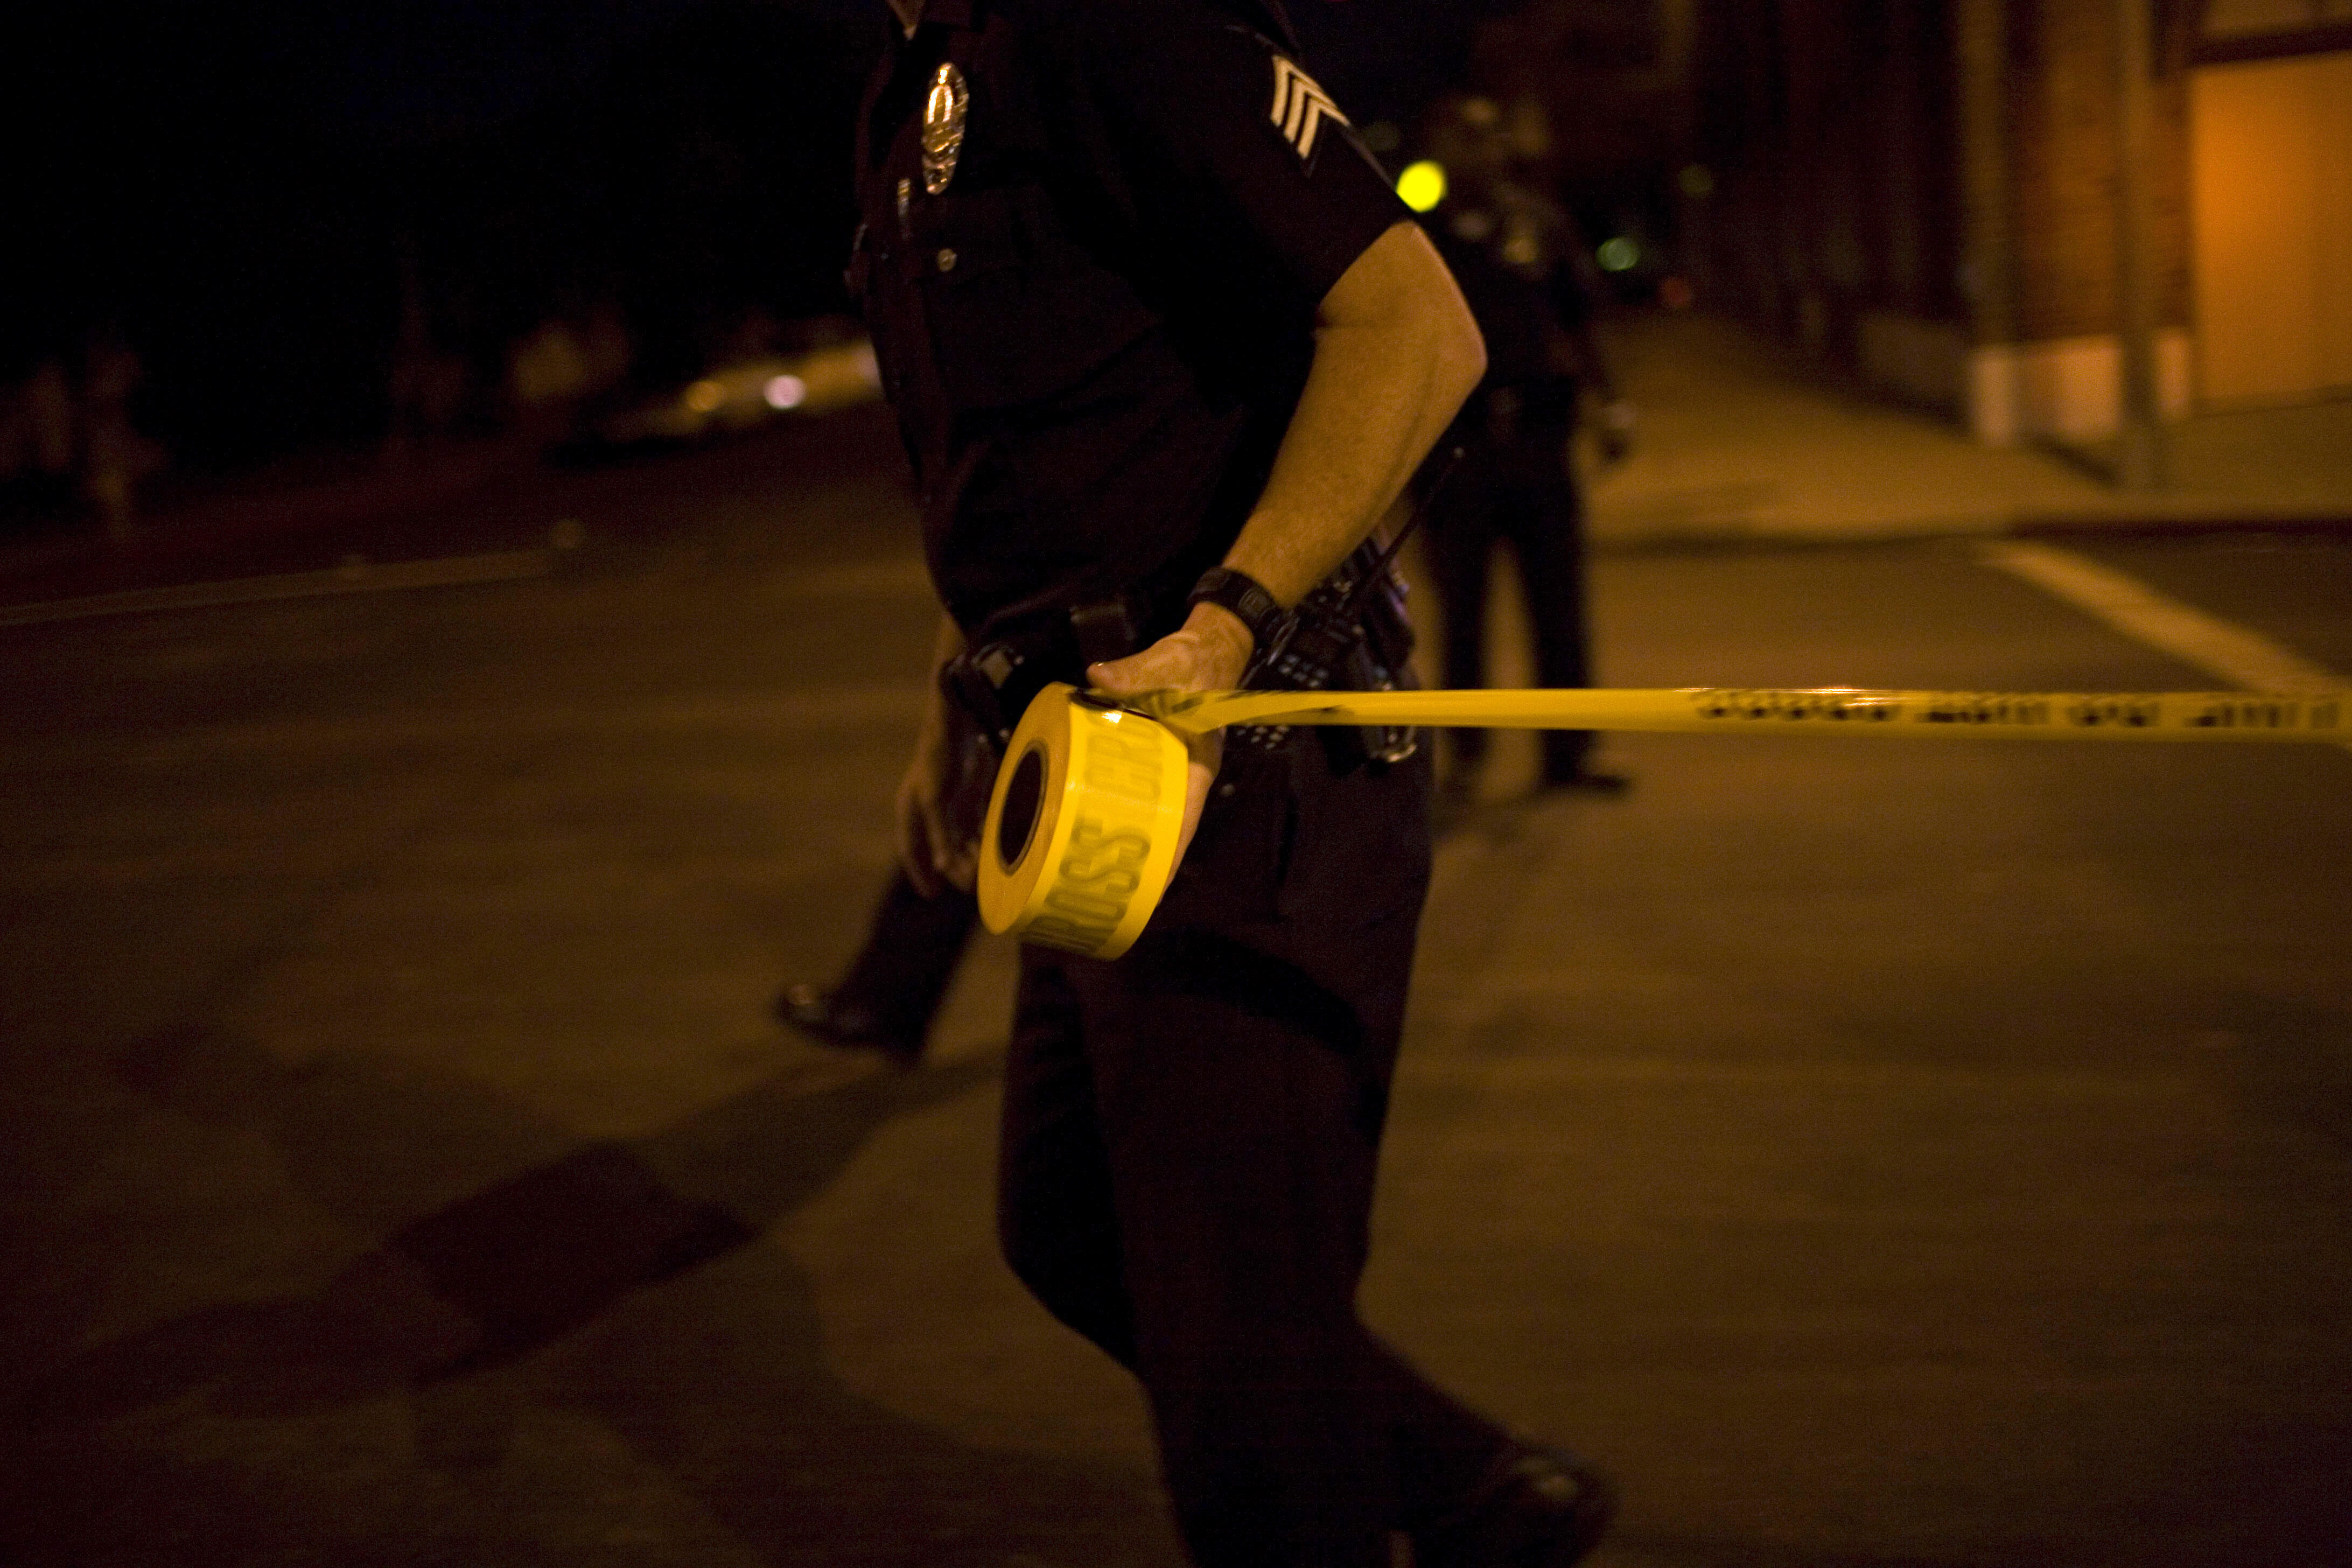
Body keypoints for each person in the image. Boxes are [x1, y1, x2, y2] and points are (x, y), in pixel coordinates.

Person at [849, 3, 1617, 1564]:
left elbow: (1419, 328)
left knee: (1242, 1363)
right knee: (1073, 1230)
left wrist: (1230, 628)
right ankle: (1467, 1490)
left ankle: (1404, 1494)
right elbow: (1009, 445)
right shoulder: (913, 92)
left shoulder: (1124, 32)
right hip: (1089, 759)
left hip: (1242, 754)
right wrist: (955, 689)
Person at [1415, 95, 1635, 803]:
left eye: (1489, 136)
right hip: (1457, 450)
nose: (1478, 151)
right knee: (1463, 611)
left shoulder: (1537, 223)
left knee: (1559, 606)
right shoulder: (1417, 232)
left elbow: (1582, 316)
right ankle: (1468, 759)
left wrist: (1613, 405)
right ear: (1439, 146)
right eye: (1463, 137)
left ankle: (1568, 755)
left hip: (1539, 437)